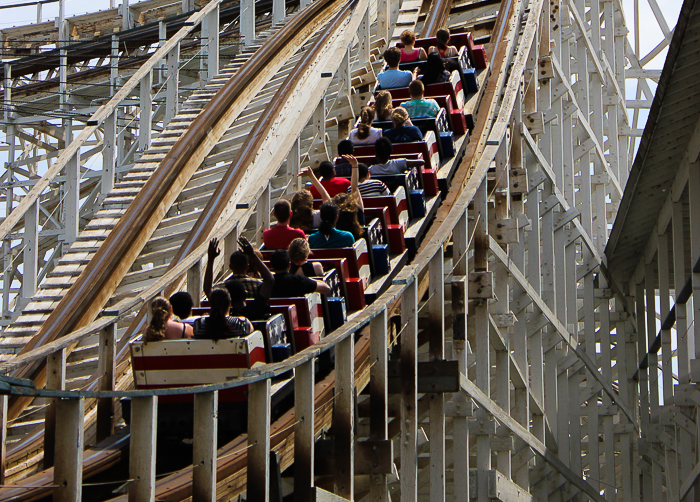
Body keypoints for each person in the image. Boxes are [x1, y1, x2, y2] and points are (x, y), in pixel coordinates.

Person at [204, 236, 272, 321]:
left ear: (230, 267)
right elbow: (269, 280)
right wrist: (252, 254)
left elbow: (207, 289)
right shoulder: (258, 285)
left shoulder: (220, 289)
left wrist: (210, 259)